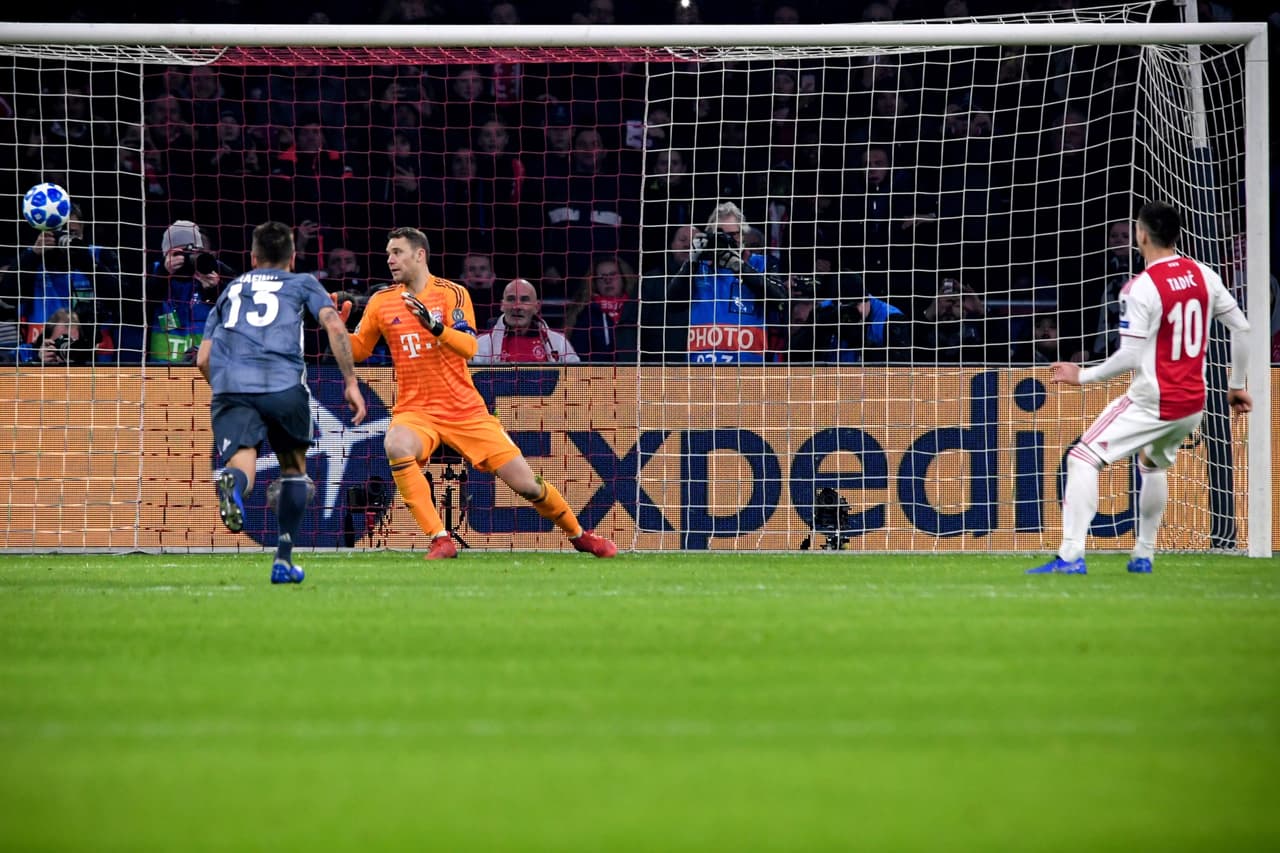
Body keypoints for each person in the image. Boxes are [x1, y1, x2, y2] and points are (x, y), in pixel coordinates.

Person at [341, 227, 614, 560]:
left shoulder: (452, 294)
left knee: (527, 484)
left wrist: (436, 328)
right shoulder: (382, 302)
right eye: (388, 253)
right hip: (415, 411)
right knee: (396, 445)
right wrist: (335, 327)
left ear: (419, 255)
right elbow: (357, 351)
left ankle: (579, 534)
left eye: (397, 252)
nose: (390, 259)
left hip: (465, 411)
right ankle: (440, 539)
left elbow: (470, 347)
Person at [1028, 201, 1252, 576]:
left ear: (1141, 235)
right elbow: (1242, 329)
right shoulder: (1202, 274)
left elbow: (1130, 356)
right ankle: (1143, 555)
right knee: (1151, 463)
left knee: (1082, 457)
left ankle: (1070, 557)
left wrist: (1081, 375)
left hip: (1153, 399)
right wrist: (1236, 385)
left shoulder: (1141, 287)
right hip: (1192, 403)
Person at [196, 221, 366, 585]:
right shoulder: (303, 282)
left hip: (234, 387)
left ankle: (233, 483)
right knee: (293, 471)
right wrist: (350, 382)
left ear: (253, 257)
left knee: (243, 460)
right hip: (284, 386)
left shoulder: (233, 288)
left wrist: (226, 390)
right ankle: (283, 560)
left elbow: (203, 358)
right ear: (292, 258)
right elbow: (335, 327)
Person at [473, 278, 580, 364]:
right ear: (502, 306)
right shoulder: (480, 345)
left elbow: (575, 383)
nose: (517, 306)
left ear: (536, 307)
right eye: (511, 299)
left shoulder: (559, 343)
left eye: (524, 300)